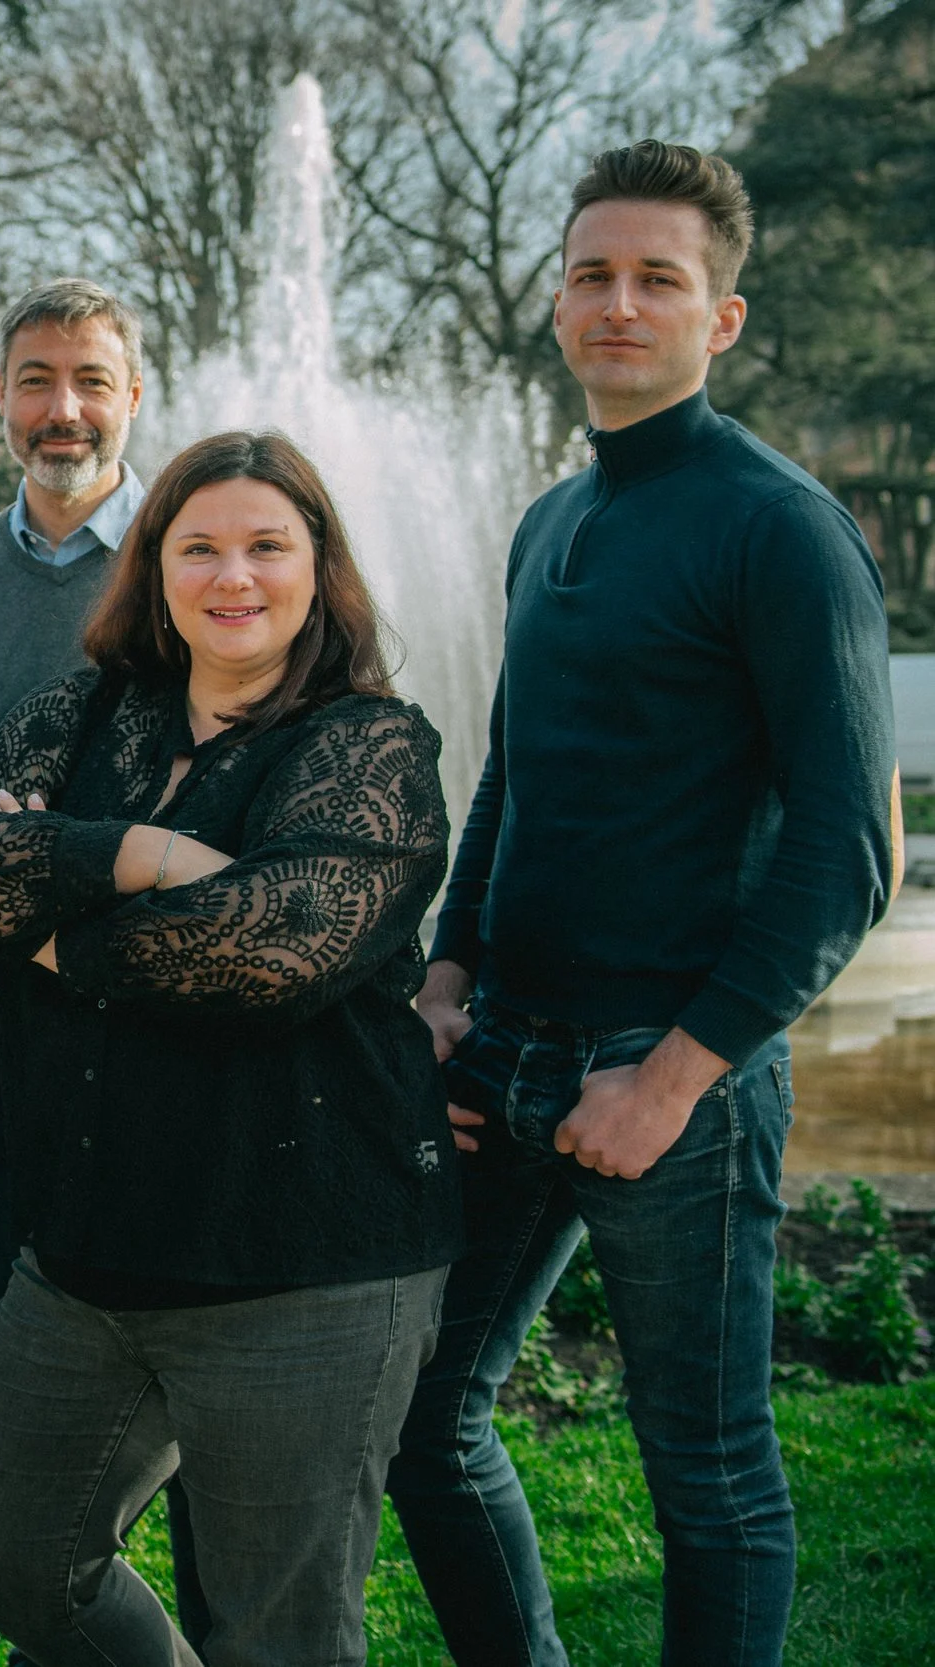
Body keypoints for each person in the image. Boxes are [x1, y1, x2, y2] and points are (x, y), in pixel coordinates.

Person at [386, 142, 895, 1667]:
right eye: (595, 274)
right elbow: (511, 783)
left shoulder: (780, 527)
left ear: (719, 318)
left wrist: (676, 1075)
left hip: (673, 1072)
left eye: (658, 279)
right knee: (423, 1419)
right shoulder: (552, 520)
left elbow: (845, 850)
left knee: (712, 1474)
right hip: (508, 1050)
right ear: (559, 300)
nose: (621, 303)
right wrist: (445, 972)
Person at [0, 430, 463, 1667]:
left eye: (268, 545)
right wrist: (137, 855)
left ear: (318, 567)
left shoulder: (366, 745)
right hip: (91, 1253)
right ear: (152, 565)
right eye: (198, 545)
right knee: (12, 1561)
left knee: (280, 1628)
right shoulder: (88, 708)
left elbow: (267, 951)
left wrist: (47, 925)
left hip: (302, 1262)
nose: (234, 576)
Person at [0, 276, 147, 1354]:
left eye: (90, 382)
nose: (63, 411)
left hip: (146, 991)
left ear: (134, 395)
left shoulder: (192, 561)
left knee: (155, 1300)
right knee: (3, 1291)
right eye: (34, 381)